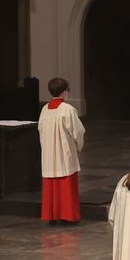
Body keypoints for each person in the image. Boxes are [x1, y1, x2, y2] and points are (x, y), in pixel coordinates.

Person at [38, 77, 85, 225]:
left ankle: (52, 217)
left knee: (51, 185)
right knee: (66, 183)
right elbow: (77, 131)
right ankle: (68, 217)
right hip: (64, 153)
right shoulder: (68, 110)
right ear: (64, 92)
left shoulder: (44, 109)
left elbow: (40, 130)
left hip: (49, 153)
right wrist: (79, 145)